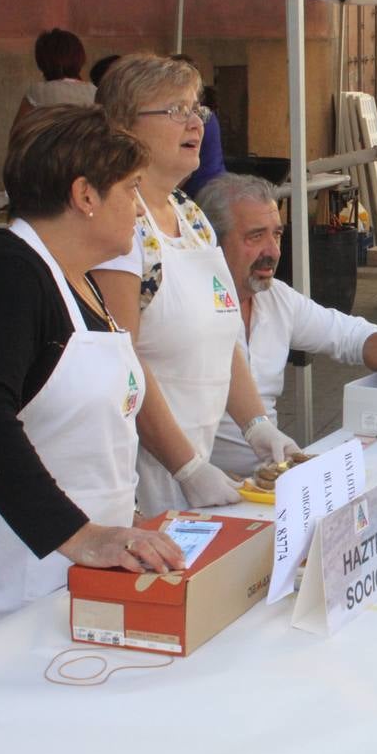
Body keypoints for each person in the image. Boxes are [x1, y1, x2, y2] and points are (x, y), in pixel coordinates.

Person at [0, 106, 184, 636]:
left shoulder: (80, 280)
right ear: (85, 195)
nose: (139, 210)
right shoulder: (4, 277)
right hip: (12, 560)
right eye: (130, 189)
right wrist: (81, 535)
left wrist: (120, 519)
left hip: (81, 557)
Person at [92, 54, 292, 518]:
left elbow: (225, 340)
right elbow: (124, 361)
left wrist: (258, 425)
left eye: (196, 109)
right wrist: (186, 468)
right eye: (175, 110)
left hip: (193, 473)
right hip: (140, 482)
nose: (196, 123)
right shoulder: (123, 223)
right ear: (123, 126)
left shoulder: (192, 215)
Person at [195, 174, 377, 474]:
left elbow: (354, 335)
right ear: (212, 242)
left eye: (276, 234)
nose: (274, 251)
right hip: (198, 495)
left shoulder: (277, 298)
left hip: (269, 482)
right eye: (255, 236)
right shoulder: (184, 311)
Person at [12, 28, 97, 129]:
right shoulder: (96, 92)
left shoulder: (36, 92)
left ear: (42, 61)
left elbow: (18, 134)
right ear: (80, 57)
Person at [172, 54, 225, 197]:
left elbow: (185, 174)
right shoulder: (207, 115)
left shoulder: (201, 118)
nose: (196, 123)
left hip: (203, 194)